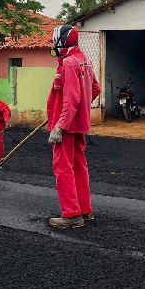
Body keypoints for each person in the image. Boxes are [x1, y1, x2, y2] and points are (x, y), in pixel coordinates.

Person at [47, 24, 101, 228]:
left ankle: (71, 214)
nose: (53, 46)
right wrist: (79, 111)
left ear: (61, 42)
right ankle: (85, 210)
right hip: (77, 124)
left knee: (63, 168)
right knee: (79, 166)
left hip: (66, 127)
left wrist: (60, 126)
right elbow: (94, 89)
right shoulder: (84, 59)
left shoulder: (69, 63)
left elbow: (71, 98)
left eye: (54, 43)